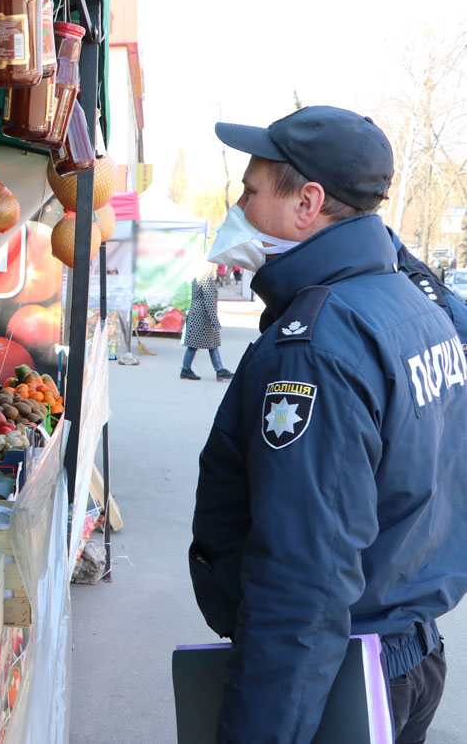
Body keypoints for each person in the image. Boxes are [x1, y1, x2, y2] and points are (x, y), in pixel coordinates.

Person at [189, 106, 467, 744]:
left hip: (342, 674)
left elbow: (303, 581)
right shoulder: (411, 305)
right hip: (410, 656)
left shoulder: (315, 346)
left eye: (251, 190)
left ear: (307, 203)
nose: (239, 203)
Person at [180, 266, 233, 381]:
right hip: (203, 317)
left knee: (200, 343)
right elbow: (209, 303)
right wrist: (215, 322)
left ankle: (188, 369)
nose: (217, 270)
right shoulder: (206, 281)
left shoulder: (197, 279)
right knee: (208, 344)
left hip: (197, 315)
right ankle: (218, 370)